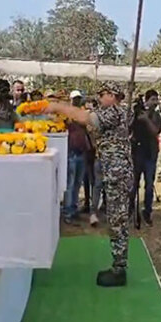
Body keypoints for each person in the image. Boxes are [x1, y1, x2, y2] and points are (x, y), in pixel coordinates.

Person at [45, 82, 133, 287]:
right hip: (112, 171)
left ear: (112, 95)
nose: (100, 98)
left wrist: (58, 107)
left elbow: (86, 118)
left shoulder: (115, 112)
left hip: (117, 173)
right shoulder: (112, 112)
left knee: (117, 221)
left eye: (102, 94)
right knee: (114, 219)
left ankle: (119, 269)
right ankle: (118, 264)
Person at [129, 89, 161, 227]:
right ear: (147, 100)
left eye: (156, 100)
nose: (155, 103)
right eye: (152, 99)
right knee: (133, 184)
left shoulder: (157, 117)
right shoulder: (138, 113)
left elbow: (155, 131)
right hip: (137, 152)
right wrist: (135, 115)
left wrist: (146, 119)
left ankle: (147, 211)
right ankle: (130, 209)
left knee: (149, 185)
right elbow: (129, 128)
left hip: (150, 154)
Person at [63, 90, 91, 225]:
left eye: (78, 98)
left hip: (81, 151)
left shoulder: (82, 113)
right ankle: (68, 212)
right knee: (70, 183)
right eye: (74, 99)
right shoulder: (66, 114)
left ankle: (73, 210)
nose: (77, 101)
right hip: (71, 152)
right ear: (70, 100)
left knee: (77, 183)